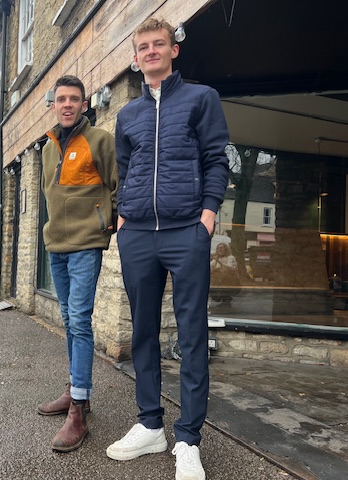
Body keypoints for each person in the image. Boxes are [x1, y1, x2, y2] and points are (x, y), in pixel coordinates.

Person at [105, 17, 229, 480]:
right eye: (143, 47)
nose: (151, 51)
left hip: (185, 231)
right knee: (142, 331)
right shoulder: (127, 115)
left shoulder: (202, 99)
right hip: (138, 233)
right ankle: (150, 424)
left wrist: (207, 216)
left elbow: (216, 159)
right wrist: (123, 219)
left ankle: (188, 439)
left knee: (191, 333)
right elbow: (125, 170)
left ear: (174, 49)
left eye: (159, 44)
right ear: (136, 59)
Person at [37, 75, 118, 452]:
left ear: (84, 105)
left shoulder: (100, 140)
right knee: (68, 319)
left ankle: (78, 411)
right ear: (54, 105)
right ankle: (75, 390)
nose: (67, 104)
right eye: (61, 99)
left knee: (80, 320)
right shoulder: (47, 148)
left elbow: (118, 184)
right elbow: (48, 195)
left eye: (74, 99)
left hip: (86, 243)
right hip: (56, 244)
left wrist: (108, 221)